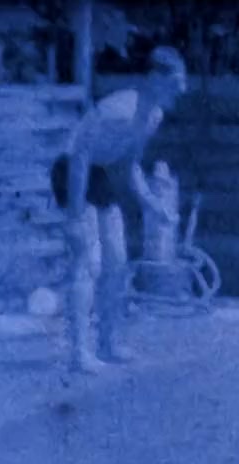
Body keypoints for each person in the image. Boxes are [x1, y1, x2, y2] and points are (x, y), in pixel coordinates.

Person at [51, 47, 188, 373]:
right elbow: (79, 157)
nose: (180, 91)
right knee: (89, 262)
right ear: (155, 79)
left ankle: (108, 341)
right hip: (72, 172)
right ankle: (79, 351)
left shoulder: (152, 116)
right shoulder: (119, 110)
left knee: (117, 260)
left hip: (99, 174)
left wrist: (152, 204)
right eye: (174, 84)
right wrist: (74, 217)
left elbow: (129, 165)